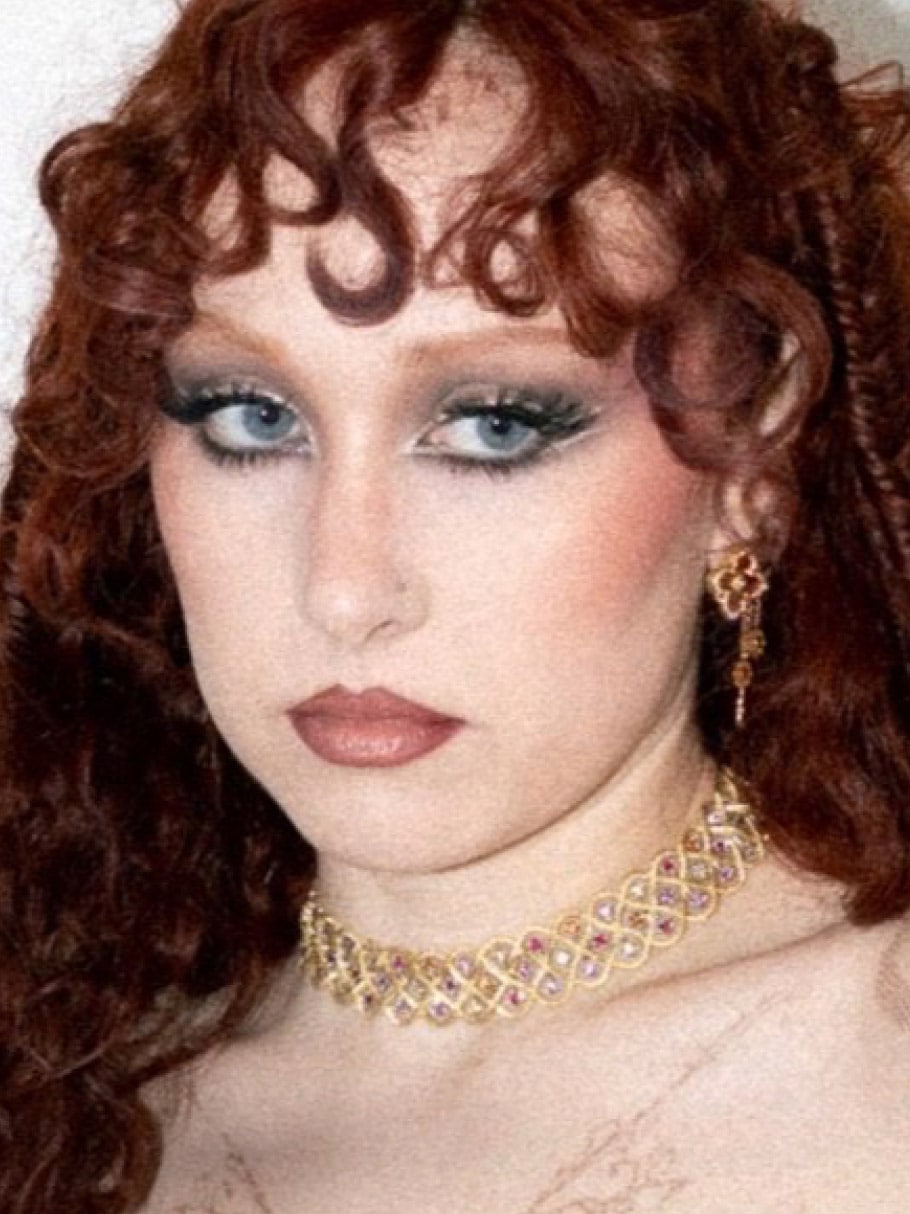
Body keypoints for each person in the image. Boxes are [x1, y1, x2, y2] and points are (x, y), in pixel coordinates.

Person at [2, 0, 910, 1210]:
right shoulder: (74, 1097)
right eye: (250, 415)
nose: (345, 590)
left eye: (492, 425)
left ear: (752, 455)